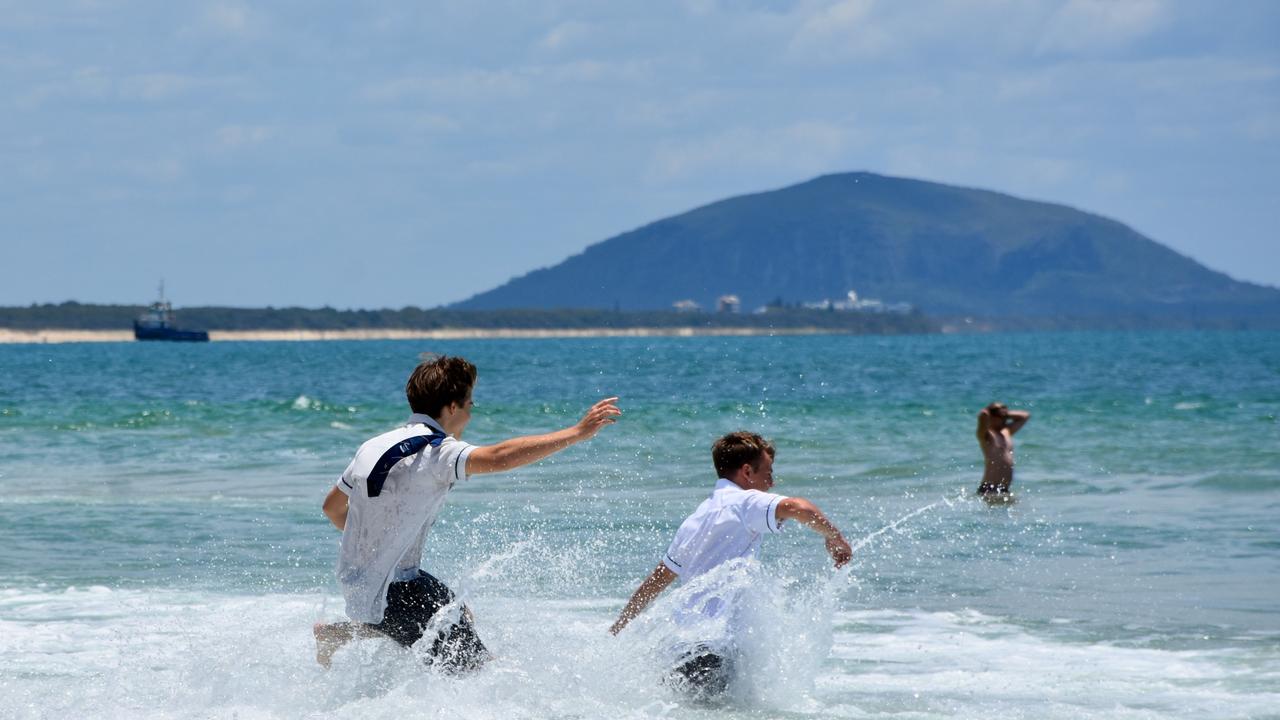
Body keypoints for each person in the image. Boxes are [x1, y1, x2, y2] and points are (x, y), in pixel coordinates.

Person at [315, 354, 621, 672]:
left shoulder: (373, 445)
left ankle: (337, 635)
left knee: (458, 613)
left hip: (366, 580)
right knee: (477, 671)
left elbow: (332, 508)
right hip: (397, 592)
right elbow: (500, 457)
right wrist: (577, 432)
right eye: (470, 405)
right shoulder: (436, 450)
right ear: (452, 407)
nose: (470, 415)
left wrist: (374, 540)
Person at [608, 431, 853, 697]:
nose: (771, 482)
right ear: (747, 471)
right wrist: (836, 538)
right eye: (768, 472)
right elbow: (797, 508)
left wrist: (619, 626)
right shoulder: (745, 503)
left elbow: (657, 581)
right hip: (714, 648)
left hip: (679, 649)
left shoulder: (696, 518)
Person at [976, 402, 1031, 499]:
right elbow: (982, 420)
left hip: (1004, 489)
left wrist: (1005, 414)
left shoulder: (1006, 432)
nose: (1003, 419)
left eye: (1004, 417)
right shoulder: (987, 435)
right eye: (999, 416)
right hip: (990, 489)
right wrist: (987, 414)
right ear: (991, 417)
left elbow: (1025, 416)